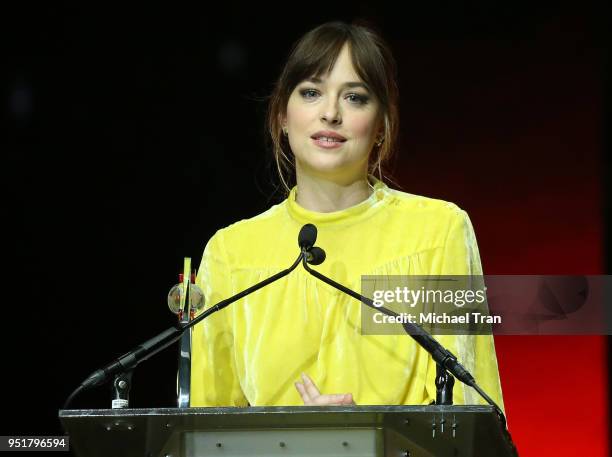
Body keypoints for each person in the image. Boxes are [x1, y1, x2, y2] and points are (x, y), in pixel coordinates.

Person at [190, 21, 504, 408]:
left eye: (354, 98)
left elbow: (468, 416)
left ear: (381, 126)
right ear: (283, 116)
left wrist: (362, 434)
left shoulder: (437, 232)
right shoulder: (230, 254)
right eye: (310, 93)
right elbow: (205, 428)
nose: (330, 113)